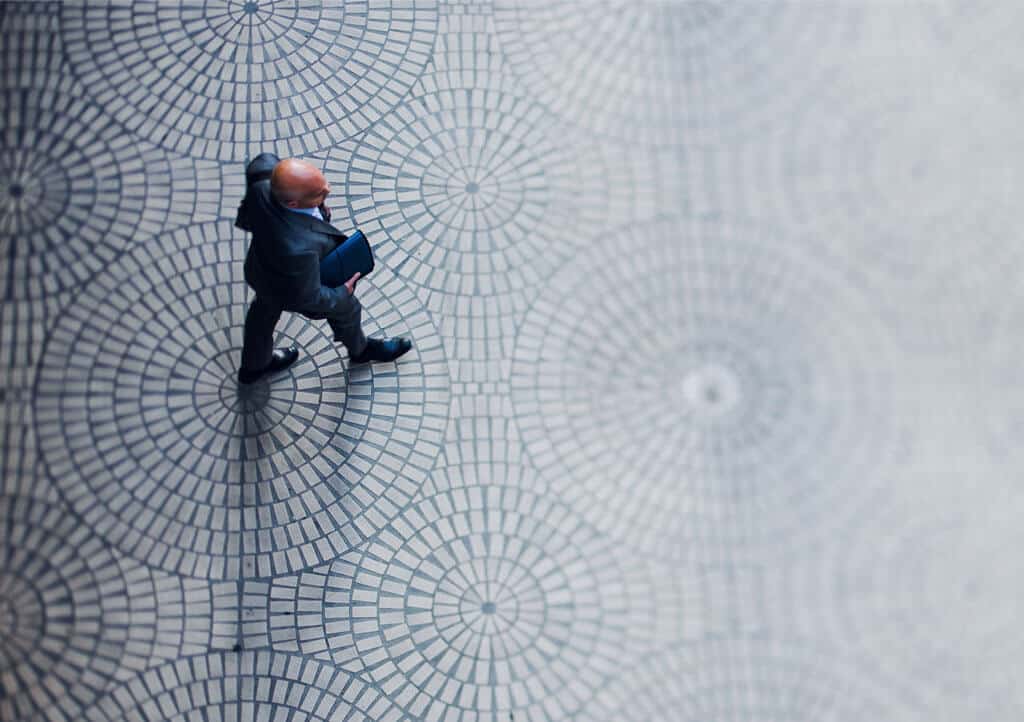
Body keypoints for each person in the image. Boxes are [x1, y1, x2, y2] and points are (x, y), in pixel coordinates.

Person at [234, 152, 411, 384]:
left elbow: (252, 195)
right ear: (292, 204)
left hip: (262, 270)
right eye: (320, 193)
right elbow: (310, 296)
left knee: (262, 313)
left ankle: (253, 367)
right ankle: (360, 350)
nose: (327, 190)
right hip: (290, 282)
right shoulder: (297, 250)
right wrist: (341, 293)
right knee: (346, 307)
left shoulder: (263, 177)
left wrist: (317, 204)